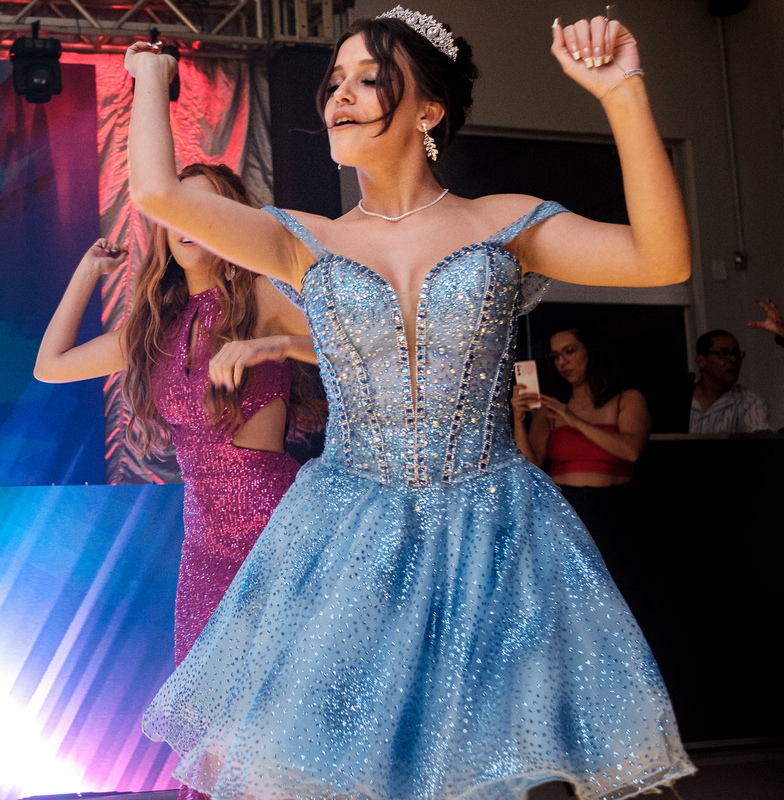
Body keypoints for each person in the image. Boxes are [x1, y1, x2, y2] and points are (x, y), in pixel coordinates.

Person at [127, 9, 694, 800]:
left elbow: (662, 259)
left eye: (368, 80)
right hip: (348, 535)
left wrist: (621, 92)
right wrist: (150, 76)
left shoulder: (503, 225)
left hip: (493, 530)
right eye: (334, 82)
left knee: (483, 771)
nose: (339, 96)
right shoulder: (303, 240)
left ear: (428, 110)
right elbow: (157, 193)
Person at [35, 163, 323, 684]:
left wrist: (278, 344)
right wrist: (87, 271)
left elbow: (361, 344)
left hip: (277, 531)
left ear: (230, 219)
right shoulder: (154, 328)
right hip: (203, 547)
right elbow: (50, 366)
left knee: (283, 700)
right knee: (207, 712)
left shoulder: (263, 296)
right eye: (176, 209)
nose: (187, 220)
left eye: (203, 206)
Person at [512, 324, 653, 621]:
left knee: (619, 598)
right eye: (555, 356)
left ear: (591, 351)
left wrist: (573, 420)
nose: (562, 362)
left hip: (613, 508)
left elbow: (631, 450)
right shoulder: (551, 406)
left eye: (570, 351)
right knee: (567, 604)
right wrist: (519, 419)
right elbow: (531, 464)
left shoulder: (627, 398)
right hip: (564, 509)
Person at [690, 328, 769, 434]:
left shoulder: (749, 402)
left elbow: (761, 441)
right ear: (700, 361)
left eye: (736, 353)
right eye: (723, 353)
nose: (733, 359)